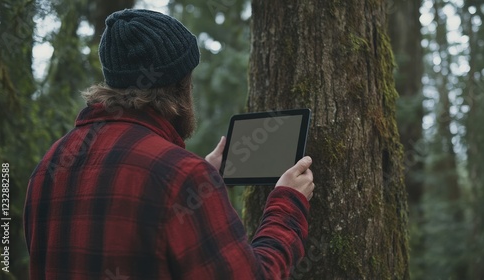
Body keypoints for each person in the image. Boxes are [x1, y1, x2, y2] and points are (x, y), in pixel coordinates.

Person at [24, 9, 314, 280]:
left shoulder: (49, 165)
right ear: (182, 86)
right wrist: (287, 203)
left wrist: (199, 185)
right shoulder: (182, 176)